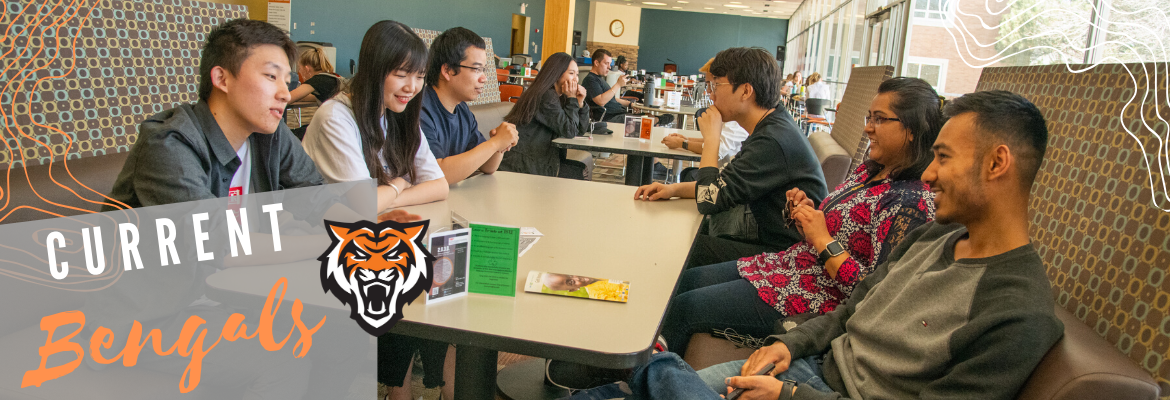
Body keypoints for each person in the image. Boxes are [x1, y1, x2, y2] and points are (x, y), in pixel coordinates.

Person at [570, 90, 1063, 400]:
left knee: (652, 368)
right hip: (810, 363)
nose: (932, 173)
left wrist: (788, 394)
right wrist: (792, 344)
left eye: (945, 157)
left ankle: (645, 368)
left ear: (997, 164)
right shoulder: (935, 238)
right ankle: (642, 371)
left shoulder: (1016, 312)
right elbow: (854, 311)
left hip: (805, 378)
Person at [100, 19, 419, 400]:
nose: (285, 93)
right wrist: (335, 243)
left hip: (229, 300)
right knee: (281, 359)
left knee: (346, 328)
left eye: (287, 80)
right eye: (271, 76)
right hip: (148, 320)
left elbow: (317, 198)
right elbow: (222, 247)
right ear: (222, 78)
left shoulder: (268, 135)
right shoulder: (169, 145)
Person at [658, 77, 942, 358]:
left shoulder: (910, 202)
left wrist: (821, 238)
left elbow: (875, 296)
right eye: (869, 117)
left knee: (685, 306)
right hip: (788, 266)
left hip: (811, 296)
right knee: (685, 281)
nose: (868, 128)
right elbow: (841, 230)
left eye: (880, 119)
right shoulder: (871, 171)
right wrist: (806, 216)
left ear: (913, 129)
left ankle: (650, 378)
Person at [634, 48, 828, 267]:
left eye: (716, 85)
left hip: (786, 257)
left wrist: (712, 139)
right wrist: (673, 189)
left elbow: (708, 200)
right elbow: (722, 184)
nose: (711, 94)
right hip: (767, 236)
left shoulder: (772, 140)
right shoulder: (773, 124)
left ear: (745, 91)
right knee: (677, 234)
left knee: (679, 248)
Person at [420, 27, 520, 184]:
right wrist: (494, 143)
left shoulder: (462, 110)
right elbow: (438, 174)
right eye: (476, 69)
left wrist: (499, 145)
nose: (484, 78)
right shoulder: (421, 110)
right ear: (447, 70)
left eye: (483, 70)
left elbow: (487, 167)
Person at [498, 52, 590, 178]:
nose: (576, 79)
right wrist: (572, 99)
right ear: (557, 73)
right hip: (524, 162)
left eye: (577, 74)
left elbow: (579, 130)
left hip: (540, 158)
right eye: (571, 73)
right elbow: (570, 131)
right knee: (580, 172)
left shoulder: (559, 97)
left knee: (581, 169)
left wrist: (580, 103)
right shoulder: (546, 96)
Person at [663, 57, 750, 179]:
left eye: (714, 85)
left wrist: (682, 143)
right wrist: (687, 139)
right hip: (720, 177)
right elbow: (715, 141)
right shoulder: (731, 116)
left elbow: (717, 148)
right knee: (687, 174)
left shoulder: (737, 120)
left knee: (689, 176)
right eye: (707, 85)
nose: (709, 92)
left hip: (720, 177)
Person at [582, 48, 670, 126]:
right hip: (609, 118)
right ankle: (658, 122)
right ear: (596, 63)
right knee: (652, 119)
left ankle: (657, 122)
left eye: (610, 64)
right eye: (606, 63)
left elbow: (612, 98)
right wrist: (618, 85)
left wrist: (630, 104)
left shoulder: (600, 79)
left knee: (651, 117)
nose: (609, 67)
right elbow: (601, 101)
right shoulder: (590, 80)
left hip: (619, 113)